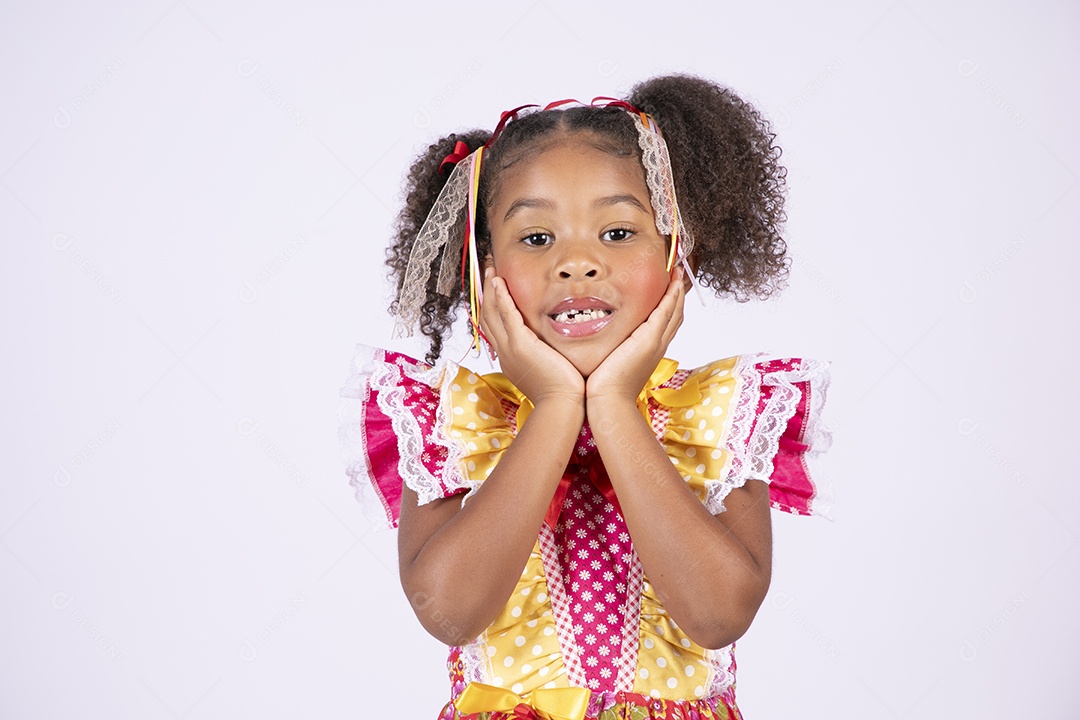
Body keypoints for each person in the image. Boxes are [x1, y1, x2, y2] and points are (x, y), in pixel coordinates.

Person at [339, 74, 833, 720]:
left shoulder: (718, 417)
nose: (576, 263)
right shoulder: (454, 424)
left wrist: (613, 407)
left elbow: (719, 612)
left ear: (679, 254)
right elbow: (448, 609)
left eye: (618, 233)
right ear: (481, 270)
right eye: (536, 238)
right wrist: (555, 409)